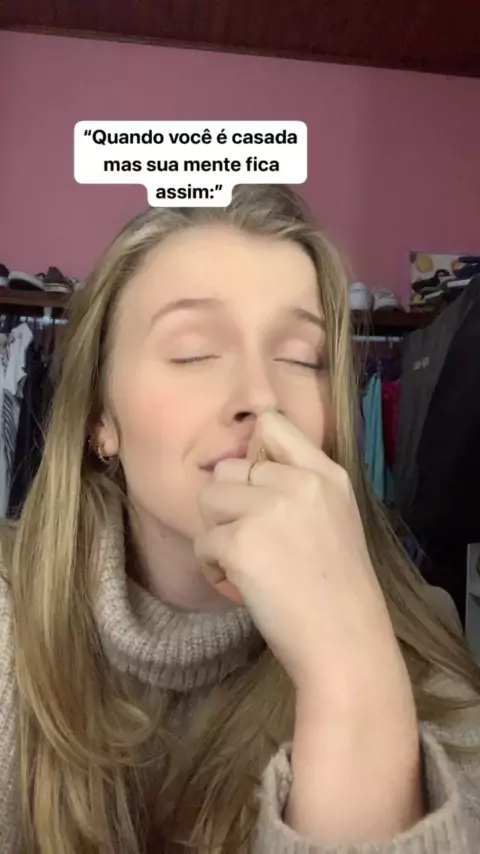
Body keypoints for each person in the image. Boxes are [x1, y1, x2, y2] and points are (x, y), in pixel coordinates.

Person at [0, 184, 478, 854]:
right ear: (101, 418)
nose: (261, 395)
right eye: (194, 351)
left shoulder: (427, 664)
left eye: (302, 358)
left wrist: (352, 671)